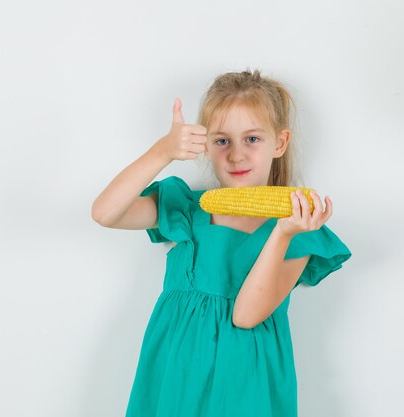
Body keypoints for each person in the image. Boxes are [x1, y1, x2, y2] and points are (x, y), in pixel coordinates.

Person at [91, 69, 352, 417]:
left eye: (252, 139)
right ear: (205, 145)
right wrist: (162, 152)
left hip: (244, 385)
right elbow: (105, 213)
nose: (236, 155)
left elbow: (245, 316)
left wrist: (283, 232)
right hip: (176, 374)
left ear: (280, 142)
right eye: (222, 140)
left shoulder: (297, 229)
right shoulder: (187, 208)